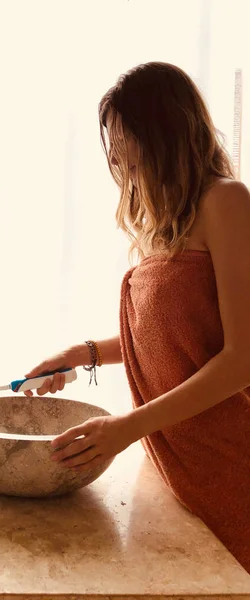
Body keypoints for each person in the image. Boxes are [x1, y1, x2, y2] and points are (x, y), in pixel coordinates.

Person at [24, 62, 250, 573]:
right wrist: (82, 354)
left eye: (127, 139)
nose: (120, 158)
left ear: (165, 132)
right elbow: (167, 338)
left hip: (231, 462)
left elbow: (242, 359)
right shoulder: (167, 224)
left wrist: (126, 427)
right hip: (175, 462)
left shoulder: (227, 202)